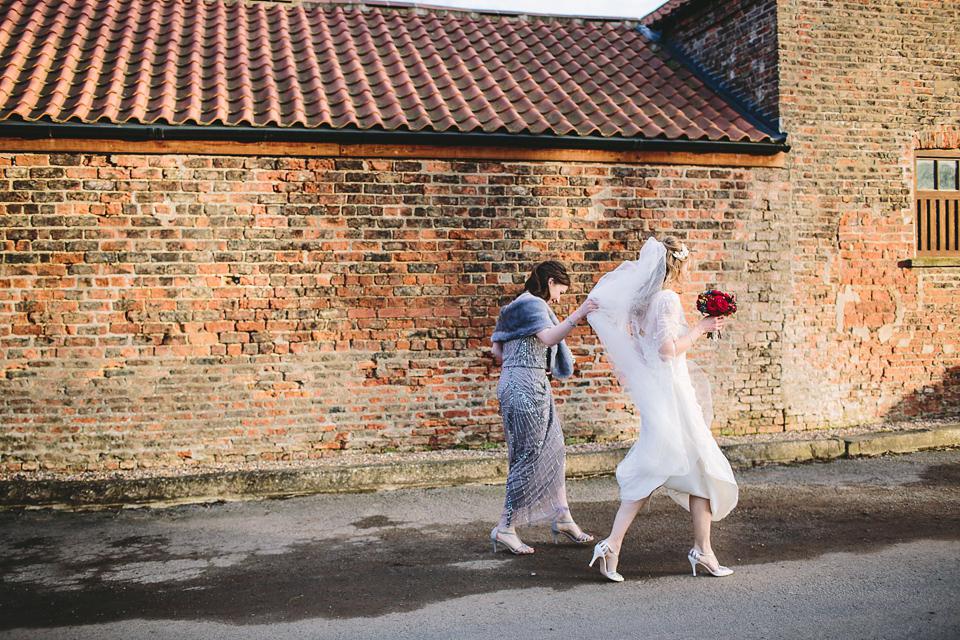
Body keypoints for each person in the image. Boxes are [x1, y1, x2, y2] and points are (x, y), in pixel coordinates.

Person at [585, 236, 739, 581]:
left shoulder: (644, 301)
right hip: (671, 394)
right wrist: (701, 328)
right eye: (687, 264)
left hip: (666, 391)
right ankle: (612, 544)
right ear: (677, 265)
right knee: (656, 467)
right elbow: (668, 350)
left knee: (698, 467)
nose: (688, 271)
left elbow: (644, 352)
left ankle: (703, 551)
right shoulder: (667, 298)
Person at [489, 260, 599, 554]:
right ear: (551, 282)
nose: (561, 297)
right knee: (528, 455)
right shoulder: (534, 305)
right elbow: (549, 337)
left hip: (516, 381)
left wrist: (531, 361)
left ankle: (562, 516)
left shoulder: (511, 308)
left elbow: (497, 351)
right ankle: (505, 527)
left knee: (554, 447)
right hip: (527, 386)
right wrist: (580, 313)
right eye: (561, 290)